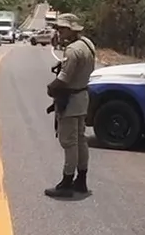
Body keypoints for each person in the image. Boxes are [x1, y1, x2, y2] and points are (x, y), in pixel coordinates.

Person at [44, 13, 95, 198]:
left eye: (62, 28)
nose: (59, 31)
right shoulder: (87, 44)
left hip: (72, 100)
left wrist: (51, 88)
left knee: (69, 142)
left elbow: (64, 79)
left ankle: (67, 181)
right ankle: (81, 180)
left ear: (72, 29)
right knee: (81, 139)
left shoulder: (73, 50)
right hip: (83, 96)